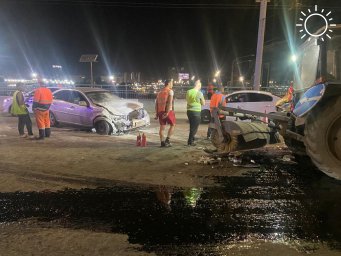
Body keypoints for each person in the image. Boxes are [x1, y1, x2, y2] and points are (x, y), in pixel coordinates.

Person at [155, 79, 175, 147]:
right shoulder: (170, 91)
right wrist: (167, 112)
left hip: (160, 111)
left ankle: (162, 142)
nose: (172, 84)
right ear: (168, 83)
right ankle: (167, 140)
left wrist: (156, 114)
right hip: (168, 111)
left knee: (162, 128)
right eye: (172, 83)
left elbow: (156, 104)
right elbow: (169, 102)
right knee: (173, 125)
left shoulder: (159, 92)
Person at [186, 79, 205, 146]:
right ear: (198, 85)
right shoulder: (199, 93)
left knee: (192, 126)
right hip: (196, 111)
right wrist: (199, 101)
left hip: (189, 111)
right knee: (195, 128)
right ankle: (190, 141)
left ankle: (192, 140)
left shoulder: (188, 91)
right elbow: (203, 103)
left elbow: (188, 100)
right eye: (200, 86)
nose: (200, 87)